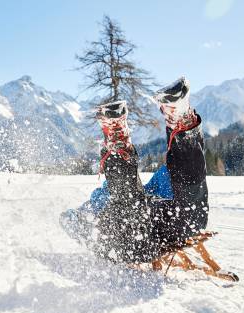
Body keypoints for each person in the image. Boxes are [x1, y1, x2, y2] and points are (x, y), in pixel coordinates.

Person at [60, 77, 208, 264]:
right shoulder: (92, 218)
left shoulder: (91, 218)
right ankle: (180, 123)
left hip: (137, 222)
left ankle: (121, 141)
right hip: (141, 220)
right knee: (189, 218)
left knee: (138, 222)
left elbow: (72, 218)